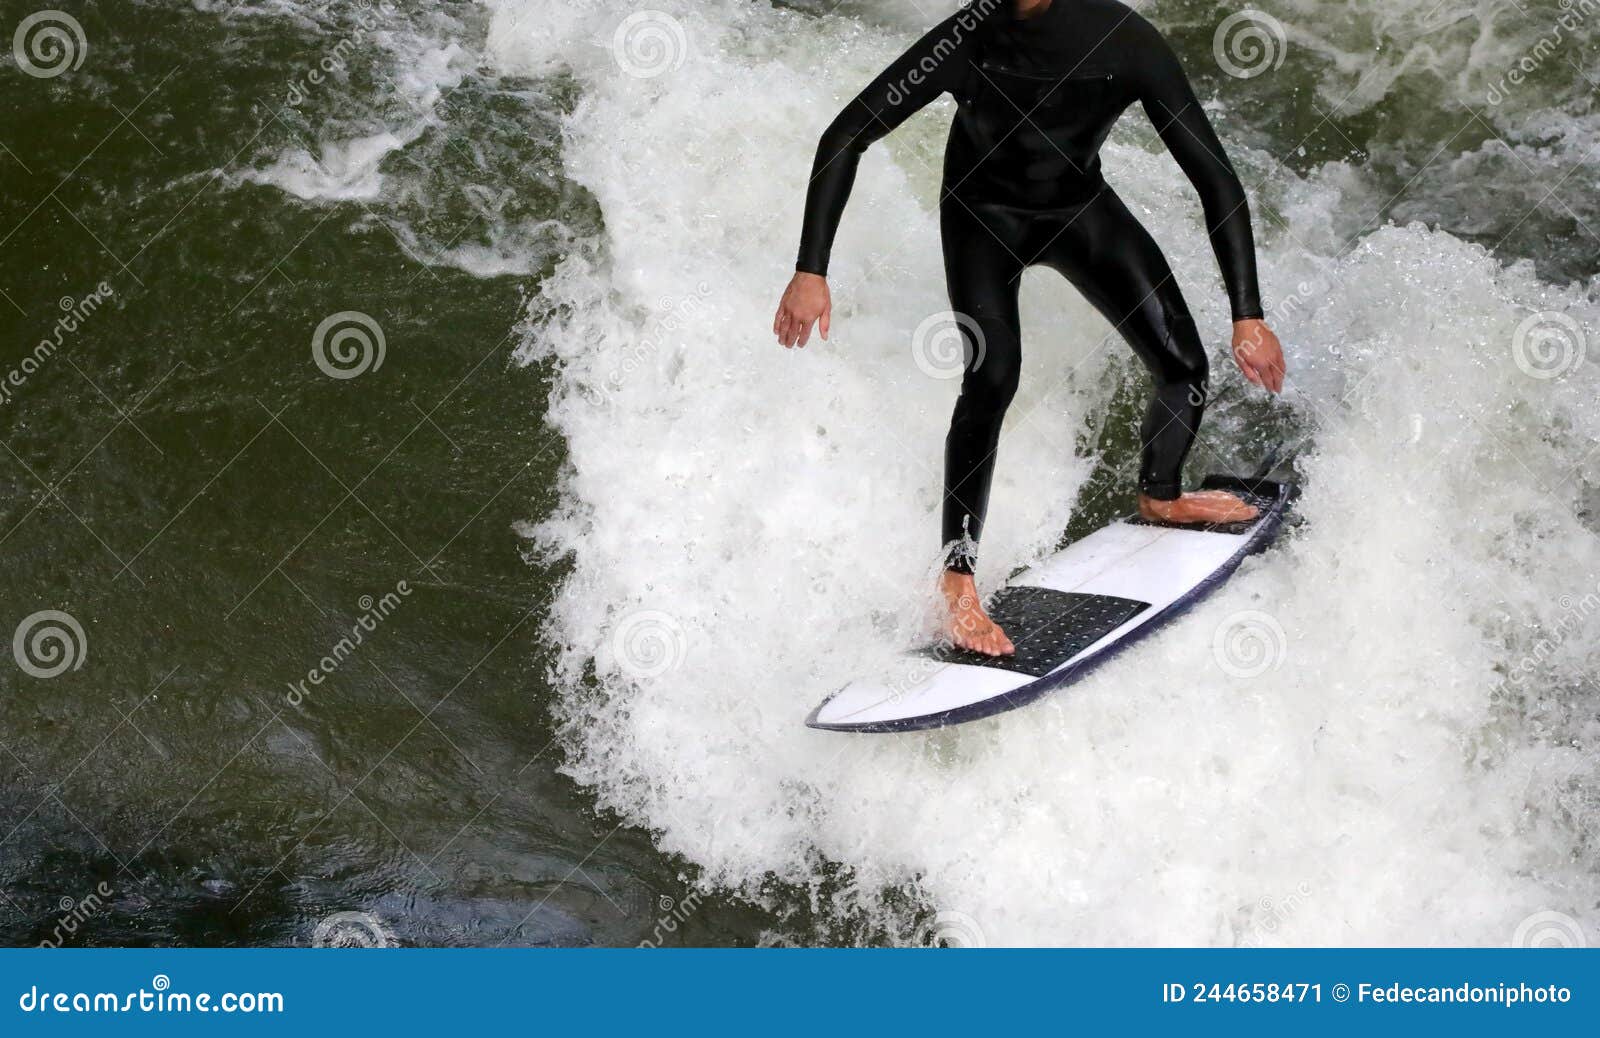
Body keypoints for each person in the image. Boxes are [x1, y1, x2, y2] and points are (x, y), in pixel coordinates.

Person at [773, 0, 1286, 656]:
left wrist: (1248, 315)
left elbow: (1214, 175)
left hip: (1078, 209)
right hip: (982, 217)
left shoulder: (1126, 42)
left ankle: (1161, 495)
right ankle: (957, 581)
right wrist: (810, 271)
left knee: (1183, 363)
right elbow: (848, 132)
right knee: (993, 375)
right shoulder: (967, 37)